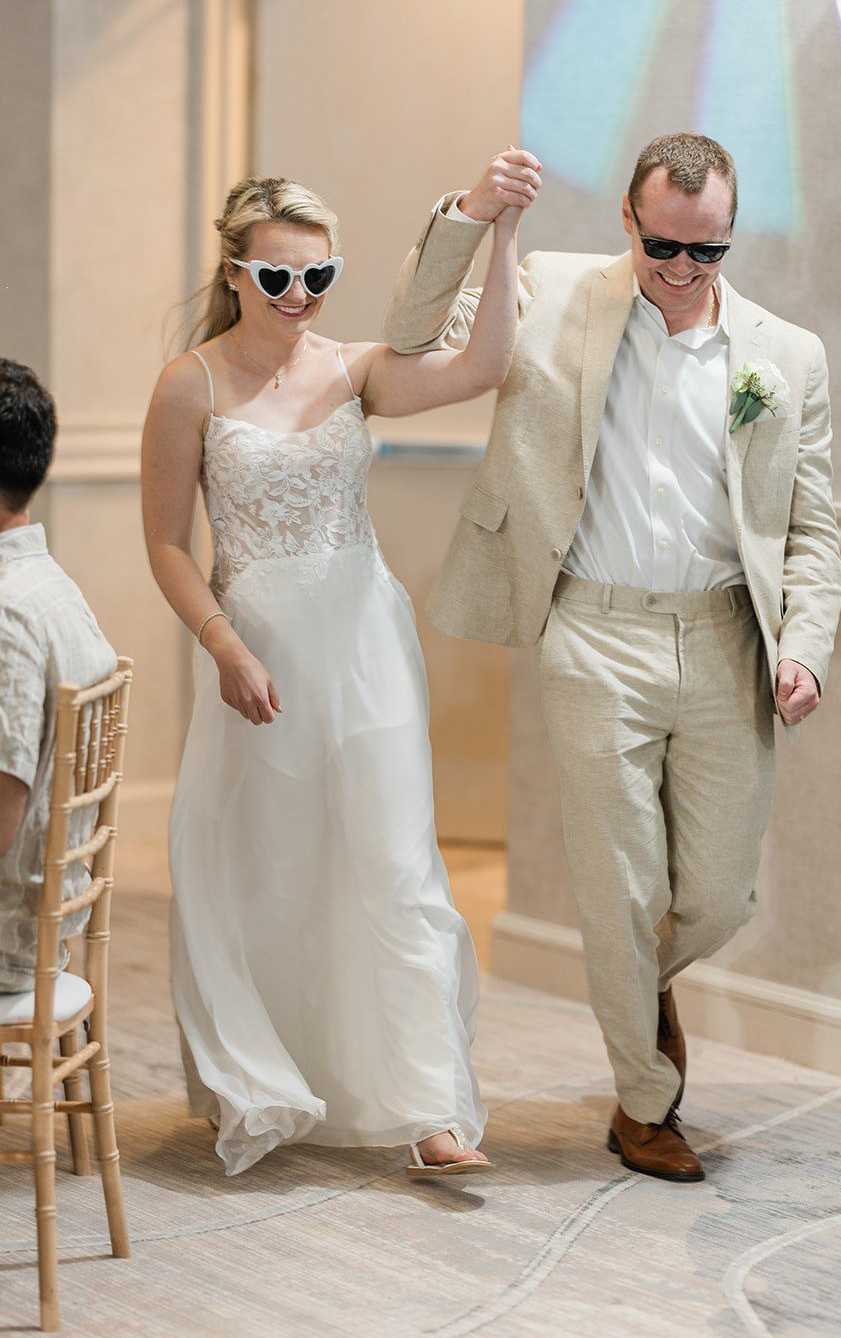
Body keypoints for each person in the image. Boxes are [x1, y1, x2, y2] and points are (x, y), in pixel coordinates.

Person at [383, 134, 841, 1183]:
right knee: (620, 888)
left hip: (727, 637)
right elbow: (411, 333)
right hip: (591, 631)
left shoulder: (787, 355)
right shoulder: (547, 290)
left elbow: (811, 530)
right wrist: (471, 213)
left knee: (719, 897)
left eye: (706, 251)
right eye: (661, 247)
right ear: (626, 221)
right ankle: (644, 1101)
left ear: (731, 236)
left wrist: (806, 650)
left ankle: (637, 978)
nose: (681, 270)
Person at [141, 169, 533, 1177]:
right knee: (271, 874)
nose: (299, 294)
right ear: (235, 273)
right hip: (259, 658)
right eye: (278, 275)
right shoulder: (190, 384)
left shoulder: (354, 370)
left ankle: (428, 1109)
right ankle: (268, 1082)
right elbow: (167, 544)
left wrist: (500, 231)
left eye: (319, 274)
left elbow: (486, 364)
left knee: (397, 866)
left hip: (366, 647)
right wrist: (223, 644)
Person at [0, 359, 117, 992]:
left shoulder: (7, 613)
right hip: (43, 918)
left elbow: (3, 814)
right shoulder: (52, 585)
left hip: (8, 935)